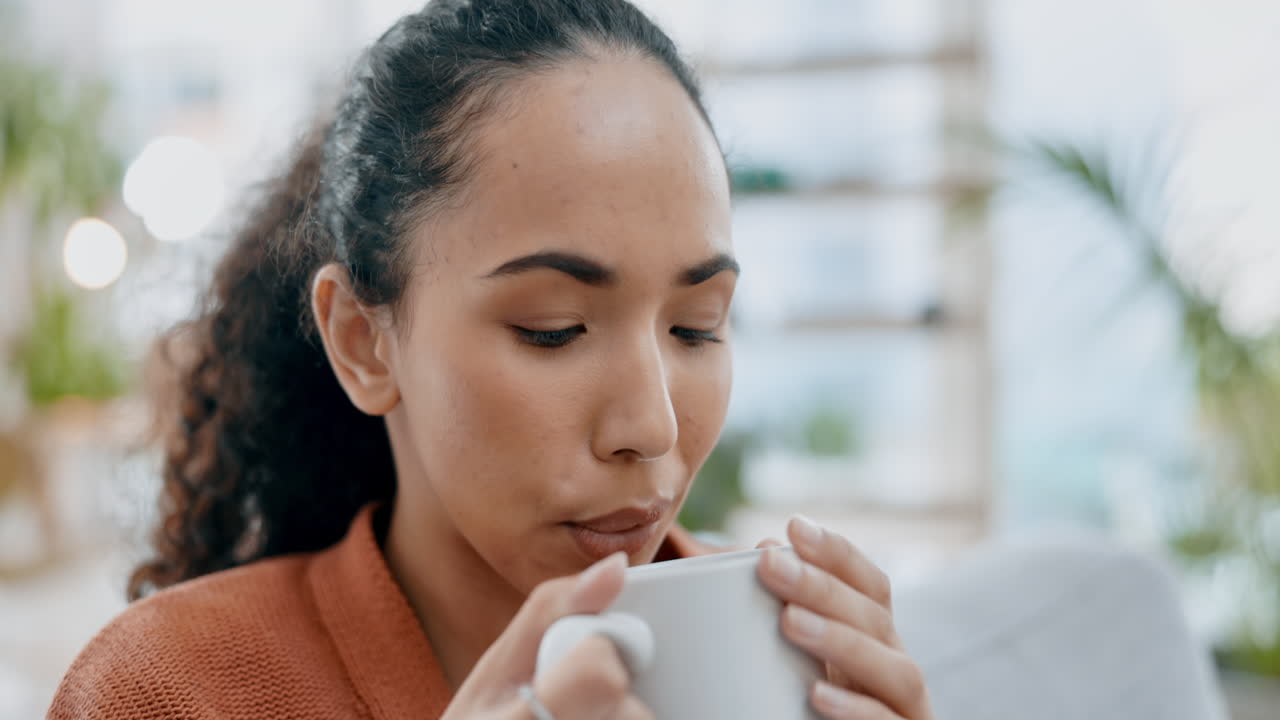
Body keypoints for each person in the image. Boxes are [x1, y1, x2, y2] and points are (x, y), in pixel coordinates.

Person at [49, 1, 935, 718]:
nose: (653, 426)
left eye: (697, 327)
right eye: (553, 329)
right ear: (363, 341)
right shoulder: (167, 692)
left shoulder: (789, 661)